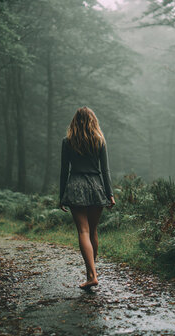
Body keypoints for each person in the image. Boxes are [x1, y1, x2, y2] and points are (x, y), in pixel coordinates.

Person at [59, 106, 116, 289]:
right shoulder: (100, 141)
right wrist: (110, 194)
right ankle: (92, 273)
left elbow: (64, 171)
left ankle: (92, 275)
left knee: (83, 232)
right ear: (93, 121)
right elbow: (105, 171)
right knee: (93, 231)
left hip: (75, 186)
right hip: (95, 186)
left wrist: (61, 196)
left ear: (75, 121)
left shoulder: (68, 142)